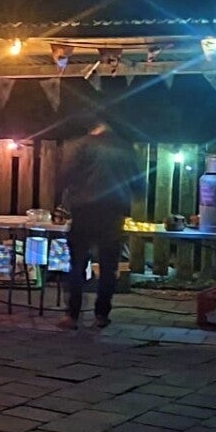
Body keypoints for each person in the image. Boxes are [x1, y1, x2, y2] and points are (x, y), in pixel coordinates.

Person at [55, 119, 142, 329]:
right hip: (113, 211)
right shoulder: (126, 148)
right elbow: (139, 185)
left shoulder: (81, 146)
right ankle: (102, 314)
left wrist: (65, 198)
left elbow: (65, 176)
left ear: (92, 126)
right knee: (108, 266)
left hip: (84, 209)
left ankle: (72, 314)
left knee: (77, 264)